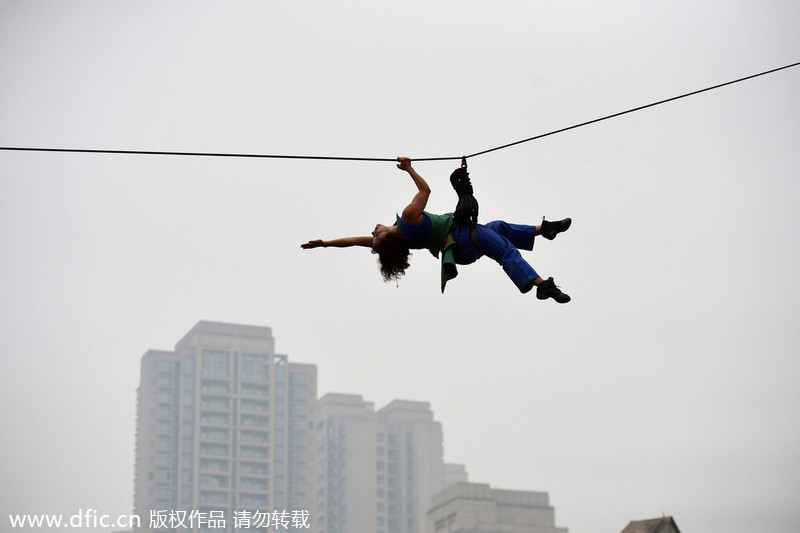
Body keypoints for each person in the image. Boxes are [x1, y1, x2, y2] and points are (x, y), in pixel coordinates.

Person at [301, 157, 572, 303]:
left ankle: (544, 230)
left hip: (458, 249)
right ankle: (540, 285)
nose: (372, 232)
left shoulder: (399, 240)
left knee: (498, 227)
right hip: (461, 238)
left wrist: (325, 243)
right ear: (385, 236)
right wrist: (409, 169)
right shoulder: (408, 218)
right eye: (376, 234)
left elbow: (353, 241)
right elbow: (425, 190)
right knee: (504, 250)